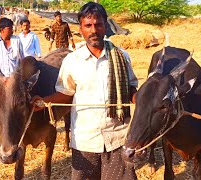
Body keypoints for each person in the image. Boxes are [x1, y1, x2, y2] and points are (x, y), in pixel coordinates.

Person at [32, 2, 138, 180]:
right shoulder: (72, 61)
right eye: (88, 25)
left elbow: (130, 88)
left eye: (98, 24)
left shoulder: (121, 56)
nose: (94, 30)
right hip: (85, 140)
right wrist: (43, 102)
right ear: (80, 28)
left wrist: (141, 99)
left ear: (106, 26)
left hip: (117, 137)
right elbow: (66, 93)